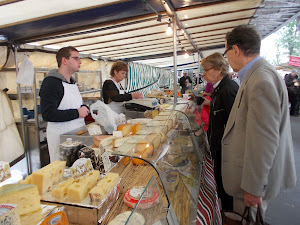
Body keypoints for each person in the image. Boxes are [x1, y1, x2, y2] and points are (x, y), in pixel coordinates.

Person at [222, 25, 296, 224]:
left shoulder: (260, 79)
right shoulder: (257, 74)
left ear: (235, 50)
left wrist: (254, 188)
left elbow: (264, 141)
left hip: (251, 182)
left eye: (226, 51)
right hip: (248, 176)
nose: (227, 57)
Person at [201, 52, 239, 210]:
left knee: (225, 185)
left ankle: (228, 213)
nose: (203, 74)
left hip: (226, 149)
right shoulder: (219, 88)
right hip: (219, 145)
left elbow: (234, 124)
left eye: (206, 70)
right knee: (221, 181)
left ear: (218, 69)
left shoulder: (227, 90)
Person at [40, 46, 89, 162]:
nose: (80, 62)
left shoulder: (72, 82)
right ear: (64, 60)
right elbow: (48, 114)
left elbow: (75, 105)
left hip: (77, 134)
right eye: (76, 58)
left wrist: (84, 108)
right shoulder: (51, 83)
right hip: (61, 138)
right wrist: (77, 113)